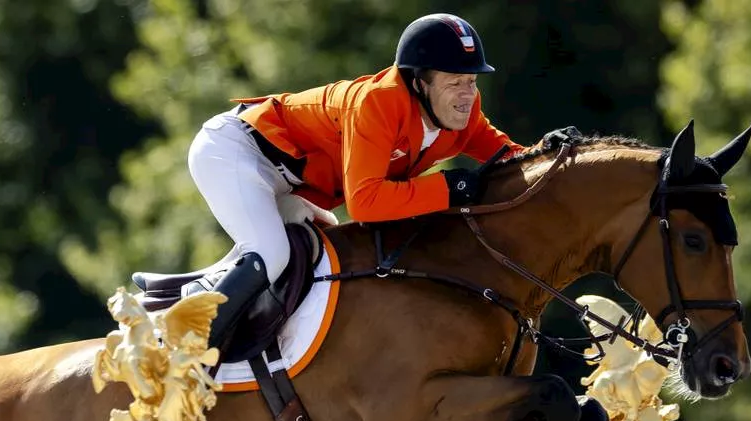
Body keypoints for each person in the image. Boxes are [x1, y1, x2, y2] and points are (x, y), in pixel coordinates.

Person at [186, 13, 583, 348]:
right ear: (418, 82)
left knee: (328, 249)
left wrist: (550, 154)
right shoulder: (379, 102)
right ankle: (192, 356)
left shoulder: (460, 113)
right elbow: (366, 204)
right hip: (237, 150)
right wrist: (450, 187)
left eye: (471, 81)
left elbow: (507, 158)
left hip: (284, 182)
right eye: (454, 81)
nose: (467, 94)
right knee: (271, 253)